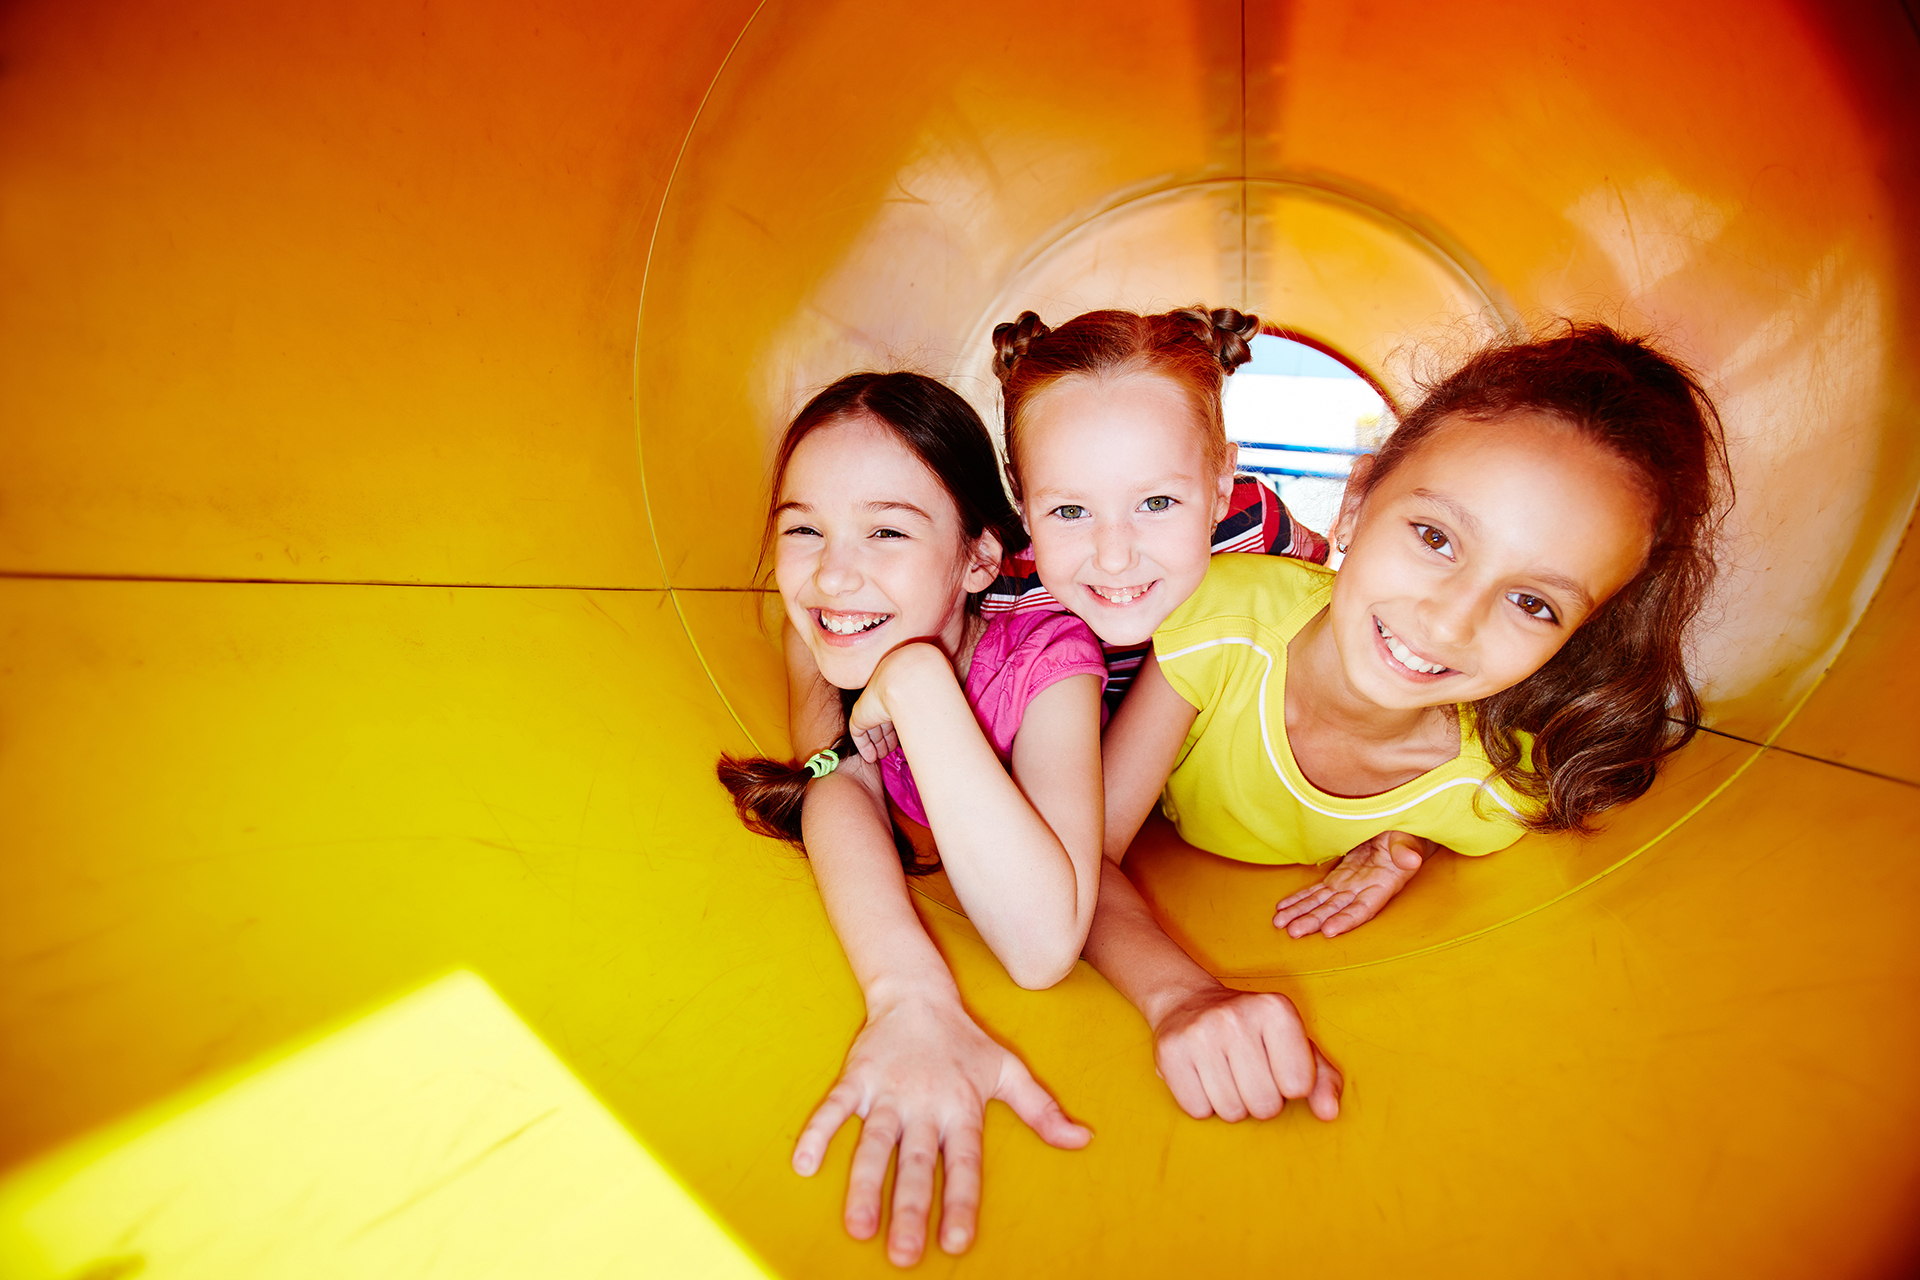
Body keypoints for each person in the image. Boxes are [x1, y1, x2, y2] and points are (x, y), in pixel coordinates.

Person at [1088, 321, 1731, 1123]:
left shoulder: (1496, 792)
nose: (1449, 622)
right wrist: (1179, 996)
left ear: (1579, 637)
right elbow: (1083, 860)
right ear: (1357, 502)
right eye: (1435, 538)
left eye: (1533, 602)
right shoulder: (1226, 619)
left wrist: (1406, 838)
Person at [716, 372, 1104, 1266]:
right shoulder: (820, 630)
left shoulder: (1051, 658)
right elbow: (838, 782)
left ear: (978, 559)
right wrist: (907, 994)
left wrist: (917, 680)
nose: (834, 572)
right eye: (803, 529)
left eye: (887, 530)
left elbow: (1044, 945)